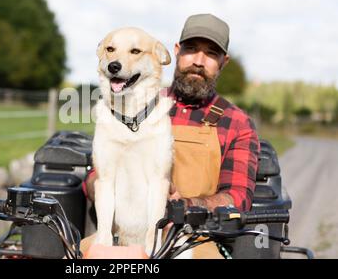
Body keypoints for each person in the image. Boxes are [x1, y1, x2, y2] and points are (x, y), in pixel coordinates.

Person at [83, 13, 260, 258]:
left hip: (192, 238)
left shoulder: (237, 123)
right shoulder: (138, 100)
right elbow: (96, 176)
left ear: (223, 62)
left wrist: (182, 206)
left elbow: (238, 198)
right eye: (191, 49)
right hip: (118, 236)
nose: (199, 60)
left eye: (210, 53)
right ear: (176, 51)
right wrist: (101, 183)